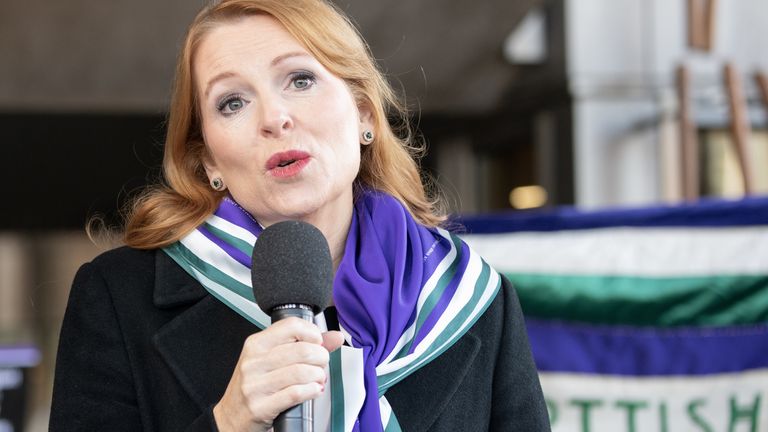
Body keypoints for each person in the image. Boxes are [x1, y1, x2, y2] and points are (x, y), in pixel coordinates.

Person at [50, 0, 550, 430]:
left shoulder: (476, 300)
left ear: (365, 115)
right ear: (209, 163)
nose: (274, 117)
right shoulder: (118, 298)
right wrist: (229, 422)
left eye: (300, 79)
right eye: (232, 103)